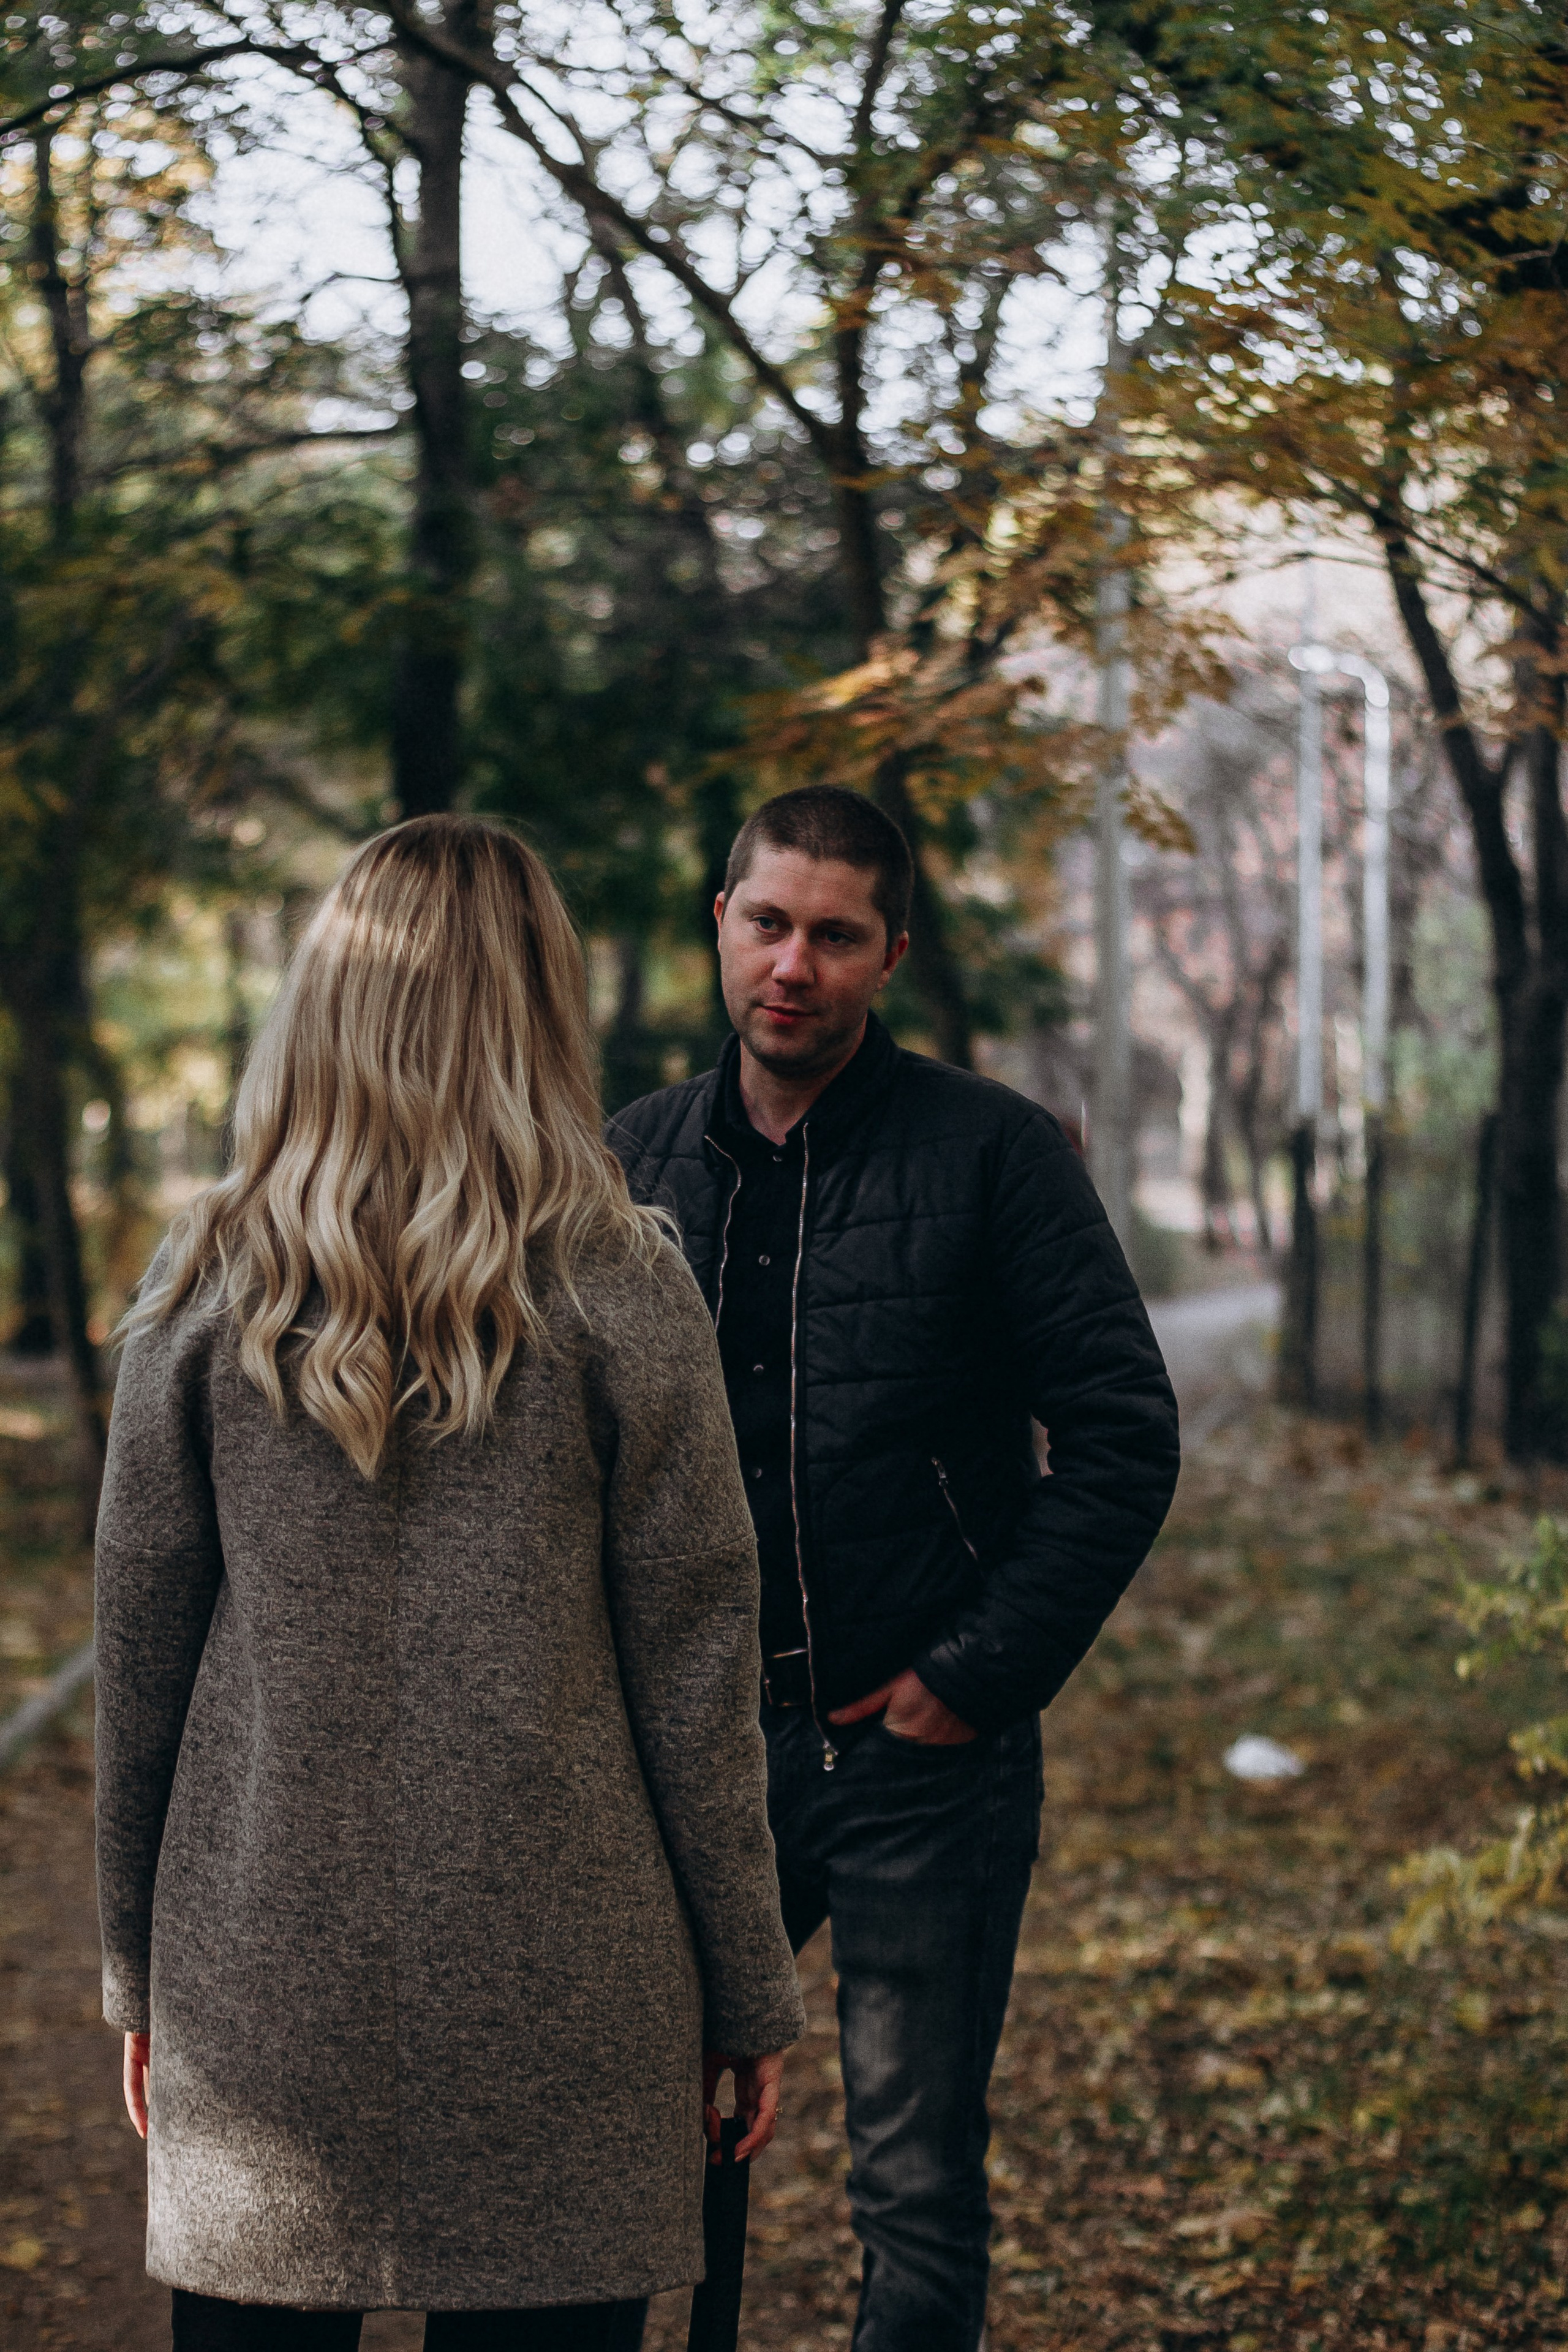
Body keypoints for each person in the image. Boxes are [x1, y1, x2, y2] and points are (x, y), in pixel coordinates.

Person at [95, 816, 805, 2352]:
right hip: (567, 1984)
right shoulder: (622, 1280)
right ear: (539, 1007)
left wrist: (130, 1971)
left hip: (259, 1975)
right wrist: (747, 1992)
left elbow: (138, 1654)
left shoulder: (208, 1283)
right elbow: (699, 1673)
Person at [608, 785, 1181, 2352]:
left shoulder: (991, 1154)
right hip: (698, 1759)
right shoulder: (625, 1163)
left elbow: (1124, 1437)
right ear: (718, 926)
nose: (793, 964)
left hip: (924, 1758)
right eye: (768, 922)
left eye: (835, 935)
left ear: (890, 956)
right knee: (662, 2144)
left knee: (913, 2185)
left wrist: (965, 1681)